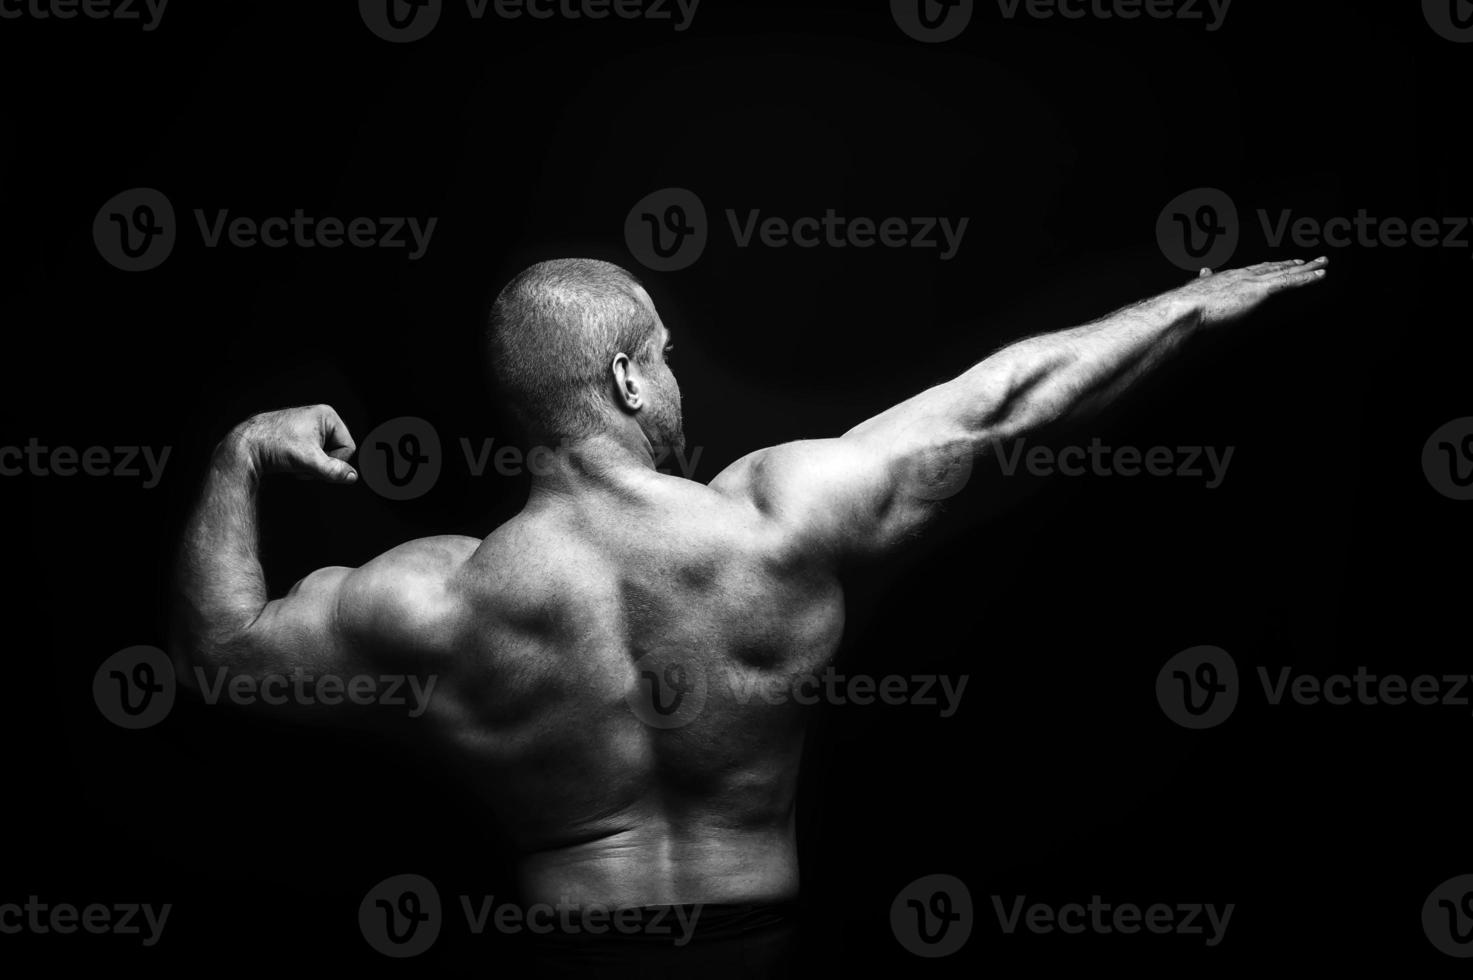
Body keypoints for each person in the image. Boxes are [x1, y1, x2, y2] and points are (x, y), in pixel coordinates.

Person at [171, 255, 1327, 974]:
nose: (675, 379)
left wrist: (239, 454)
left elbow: (222, 651)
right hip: (759, 946)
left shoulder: (436, 594)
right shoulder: (773, 519)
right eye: (663, 357)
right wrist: (1187, 305)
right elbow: (1001, 405)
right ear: (627, 380)